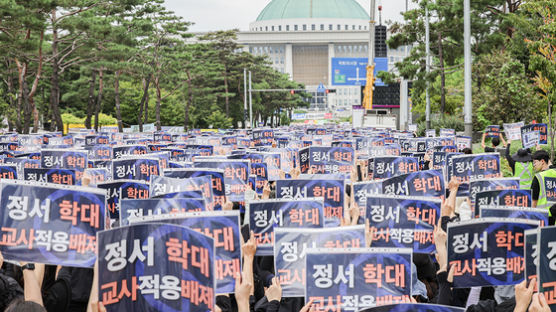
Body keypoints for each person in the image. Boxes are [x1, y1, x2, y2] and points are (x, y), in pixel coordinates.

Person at [531, 150, 556, 225]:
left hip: (543, 216)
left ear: (542, 161)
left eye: (535, 162)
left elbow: (534, 202)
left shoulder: (538, 177)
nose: (534, 165)